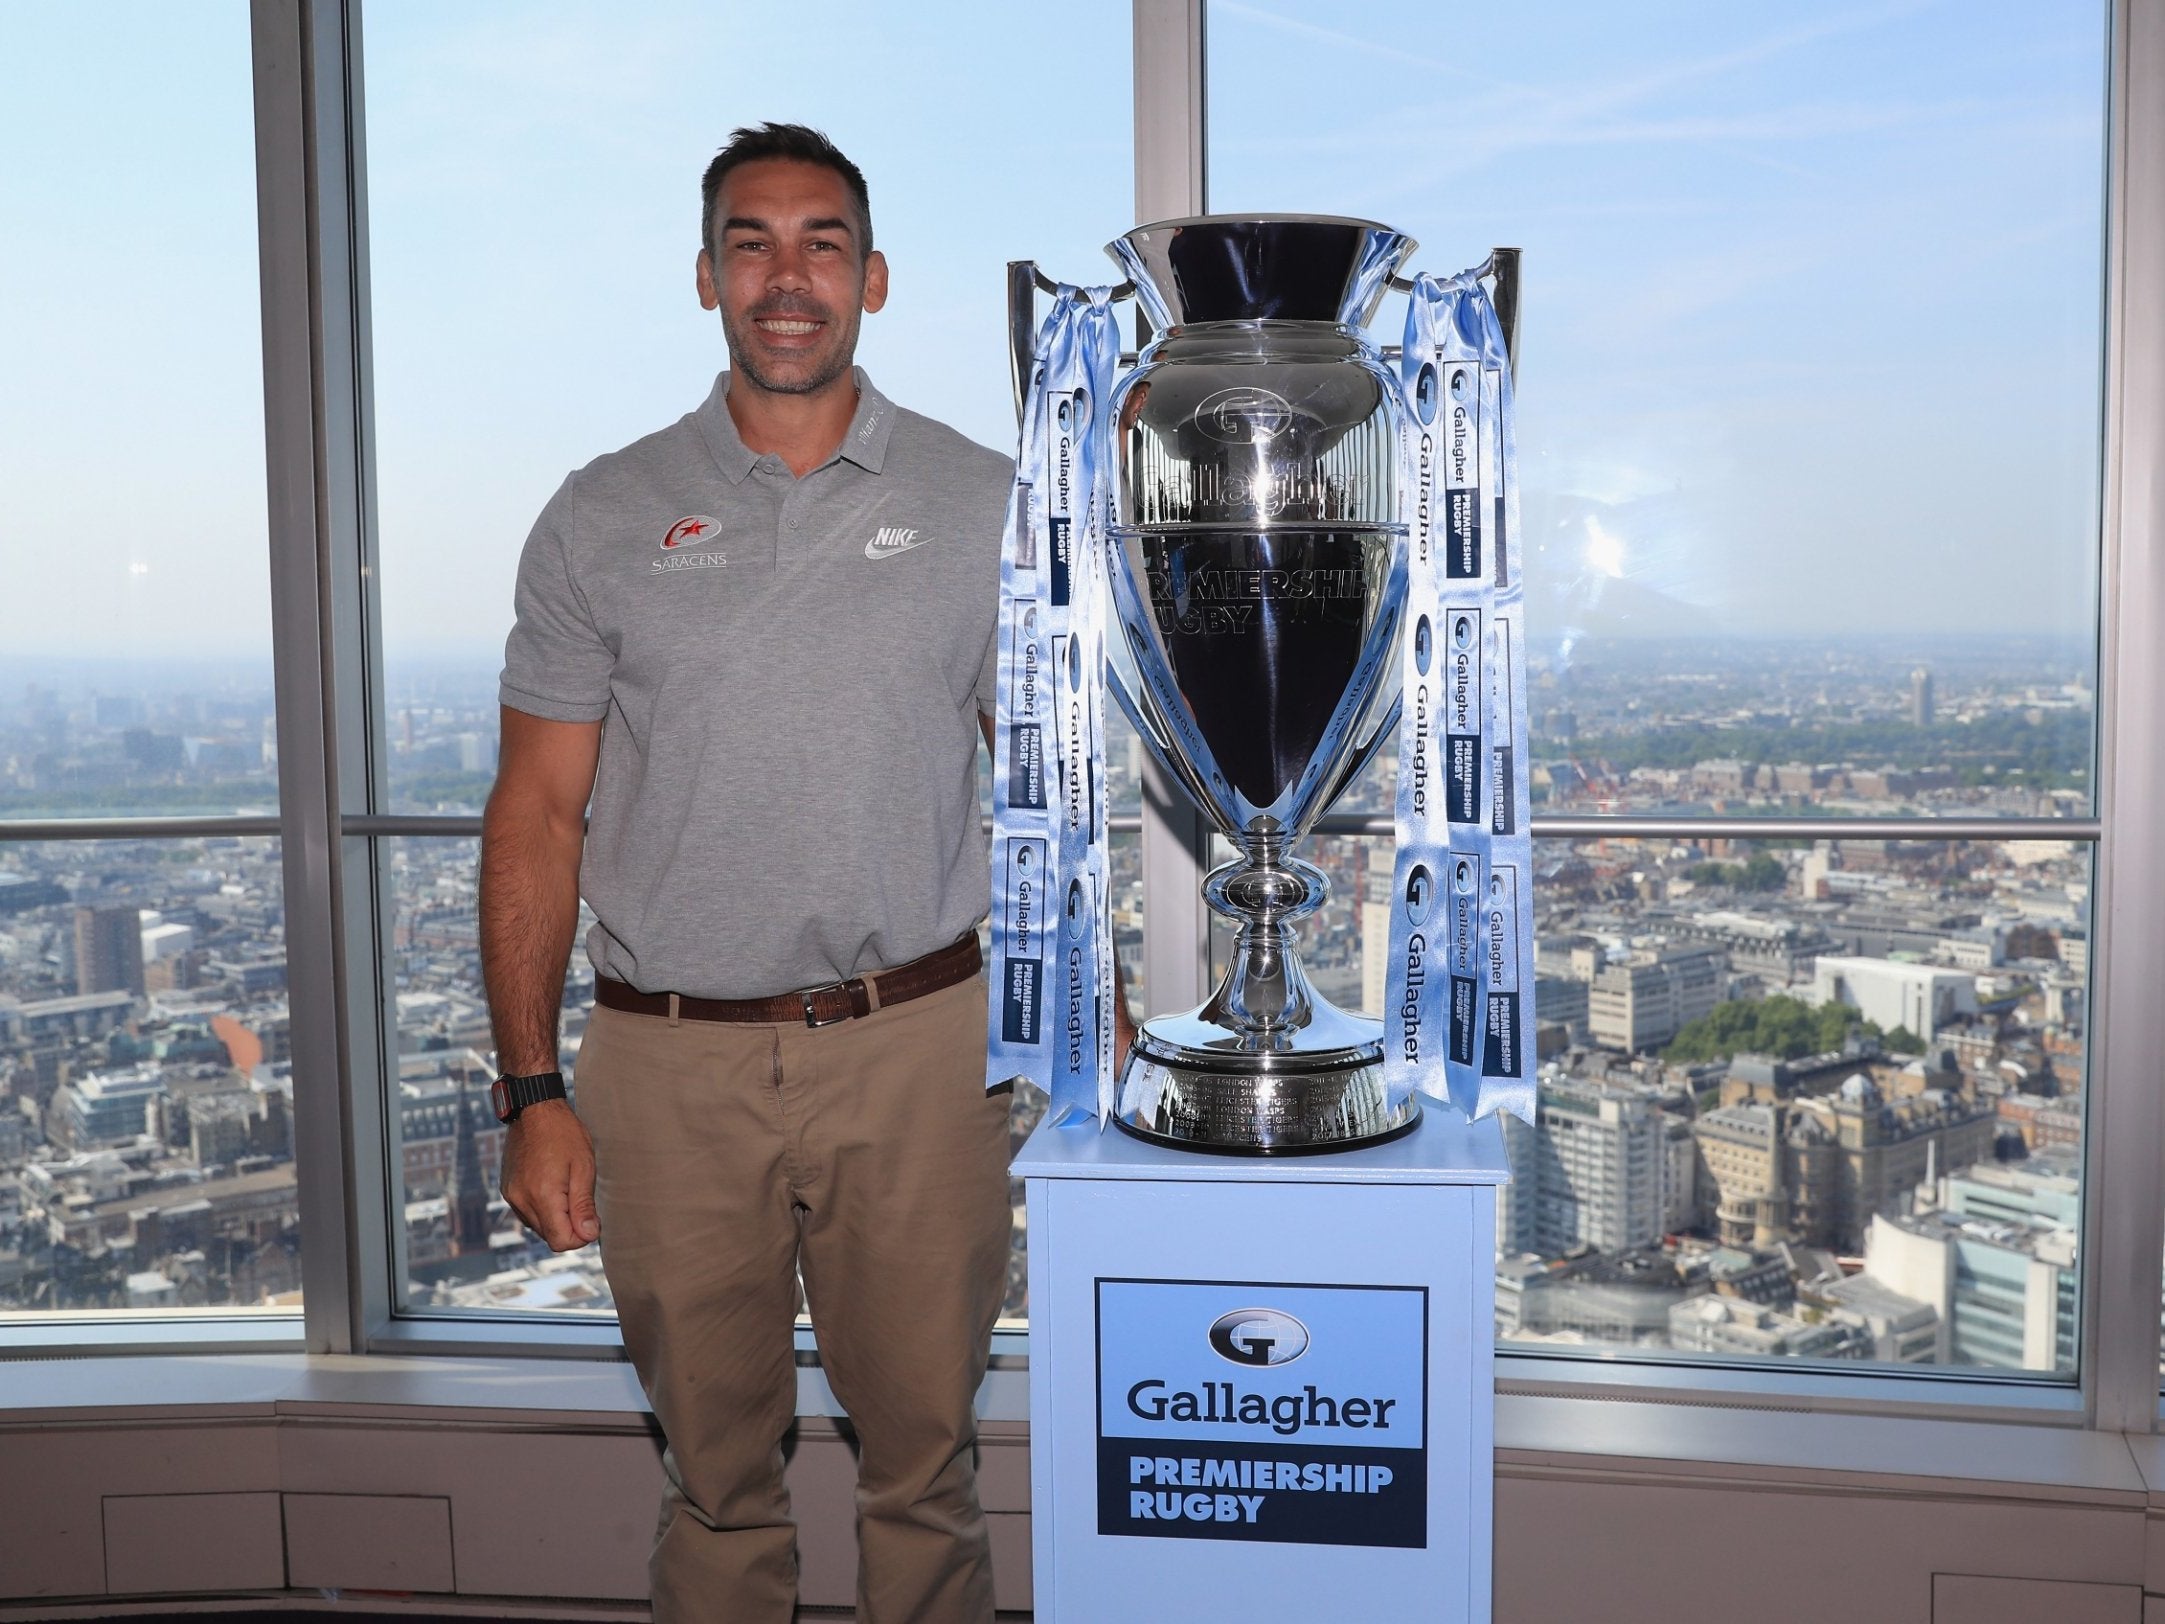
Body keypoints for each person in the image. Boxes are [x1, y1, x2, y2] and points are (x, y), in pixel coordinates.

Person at [479, 122, 1122, 1624]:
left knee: (925, 1472)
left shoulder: (986, 499)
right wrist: (530, 1089)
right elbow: (534, 816)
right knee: (716, 1488)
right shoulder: (599, 511)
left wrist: (1075, 1024)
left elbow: (1050, 795)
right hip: (666, 1064)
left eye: (821, 242)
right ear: (706, 276)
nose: (788, 277)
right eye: (752, 244)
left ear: (873, 280)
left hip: (918, 1053)